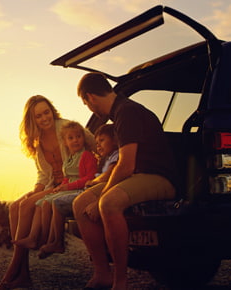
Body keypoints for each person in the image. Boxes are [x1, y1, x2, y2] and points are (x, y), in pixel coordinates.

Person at [73, 73, 178, 290]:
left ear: (90, 98)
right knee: (80, 204)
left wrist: (101, 196)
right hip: (136, 176)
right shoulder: (121, 112)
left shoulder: (127, 112)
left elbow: (126, 164)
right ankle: (103, 274)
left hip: (159, 178)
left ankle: (120, 281)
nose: (89, 108)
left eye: (86, 103)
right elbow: (124, 166)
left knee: (108, 203)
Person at [0, 96, 94, 290]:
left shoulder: (66, 127)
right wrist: (35, 191)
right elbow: (43, 173)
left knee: (25, 206)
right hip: (52, 184)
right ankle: (23, 274)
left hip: (71, 184)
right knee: (15, 206)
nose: (44, 118)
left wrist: (95, 173)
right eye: (38, 116)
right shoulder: (36, 140)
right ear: (32, 120)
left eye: (46, 112)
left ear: (52, 111)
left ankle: (14, 269)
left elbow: (91, 141)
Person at [13, 121, 97, 255]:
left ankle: (50, 240)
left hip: (79, 190)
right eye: (71, 138)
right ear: (65, 142)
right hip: (68, 188)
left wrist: (67, 186)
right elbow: (67, 176)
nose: (75, 140)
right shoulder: (70, 158)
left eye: (78, 137)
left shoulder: (86, 155)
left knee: (49, 202)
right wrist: (62, 186)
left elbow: (90, 178)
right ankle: (35, 237)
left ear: (83, 138)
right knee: (41, 202)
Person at [37, 123, 119, 258]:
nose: (98, 145)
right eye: (97, 142)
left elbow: (97, 176)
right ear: (65, 142)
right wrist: (59, 187)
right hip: (86, 188)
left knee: (57, 203)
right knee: (46, 202)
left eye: (102, 141)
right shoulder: (100, 158)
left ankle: (56, 241)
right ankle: (46, 239)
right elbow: (67, 178)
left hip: (86, 189)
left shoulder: (93, 156)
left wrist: (92, 182)